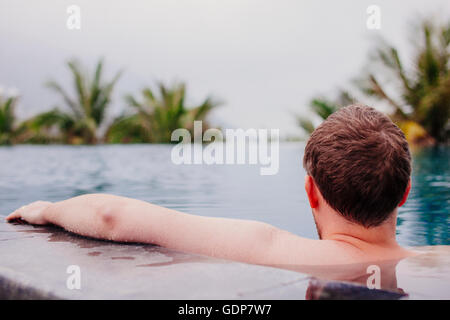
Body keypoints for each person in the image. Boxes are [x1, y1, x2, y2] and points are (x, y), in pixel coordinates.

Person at [5, 105, 417, 267]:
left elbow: (112, 216)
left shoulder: (278, 249)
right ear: (405, 192)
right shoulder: (434, 262)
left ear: (311, 191)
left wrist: (46, 209)